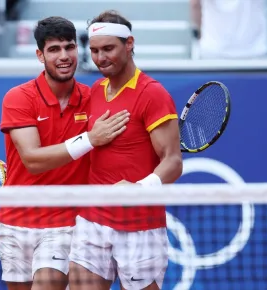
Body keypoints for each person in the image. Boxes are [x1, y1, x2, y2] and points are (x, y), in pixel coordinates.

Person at [0, 16, 130, 290]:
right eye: (54, 49)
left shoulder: (94, 97)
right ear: (40, 55)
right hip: (15, 222)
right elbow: (32, 160)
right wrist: (90, 139)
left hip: (64, 224)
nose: (64, 56)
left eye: (69, 47)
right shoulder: (18, 98)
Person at [68, 10, 183, 290]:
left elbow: (173, 162)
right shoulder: (95, 89)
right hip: (92, 220)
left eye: (109, 48)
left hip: (139, 226)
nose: (100, 58)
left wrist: (140, 189)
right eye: (94, 50)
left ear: (129, 44)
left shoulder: (152, 94)